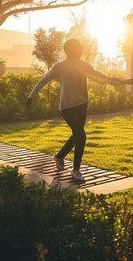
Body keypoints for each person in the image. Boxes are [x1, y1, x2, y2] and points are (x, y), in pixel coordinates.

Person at [26, 39, 118, 182]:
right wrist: (31, 97)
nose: (81, 50)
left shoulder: (84, 65)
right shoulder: (60, 66)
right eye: (78, 48)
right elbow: (44, 80)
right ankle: (76, 171)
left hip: (82, 105)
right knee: (81, 135)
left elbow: (97, 76)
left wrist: (112, 80)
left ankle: (60, 156)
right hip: (67, 107)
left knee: (76, 135)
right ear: (70, 50)